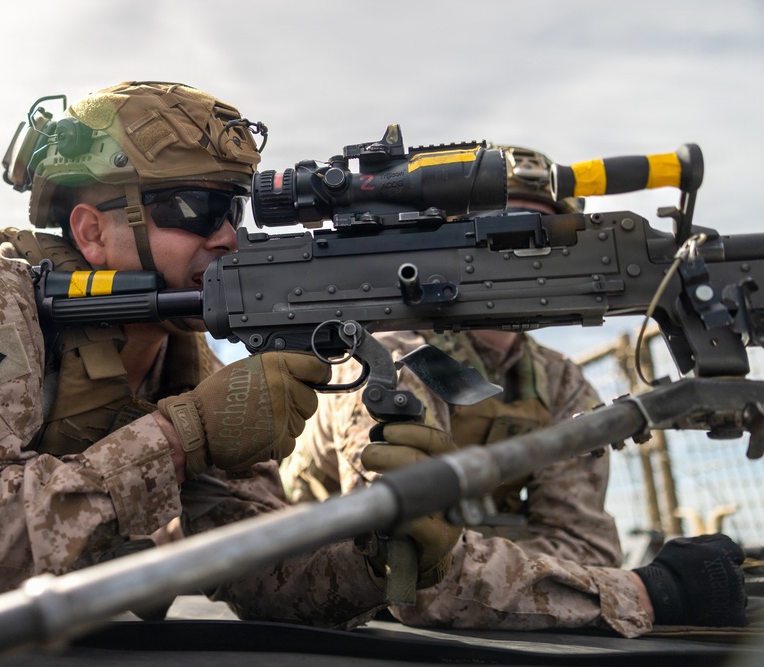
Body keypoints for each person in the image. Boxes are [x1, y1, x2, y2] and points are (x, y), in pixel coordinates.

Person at [0, 81, 463, 627]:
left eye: (234, 211)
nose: (225, 237)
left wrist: (376, 551)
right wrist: (178, 438)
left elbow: (261, 565)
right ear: (93, 231)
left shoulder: (179, 352)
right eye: (192, 208)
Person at [281, 145, 749, 636]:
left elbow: (584, 545)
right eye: (497, 227)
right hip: (315, 568)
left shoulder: (558, 379)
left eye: (540, 232)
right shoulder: (396, 357)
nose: (518, 248)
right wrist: (640, 593)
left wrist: (490, 570)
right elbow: (407, 573)